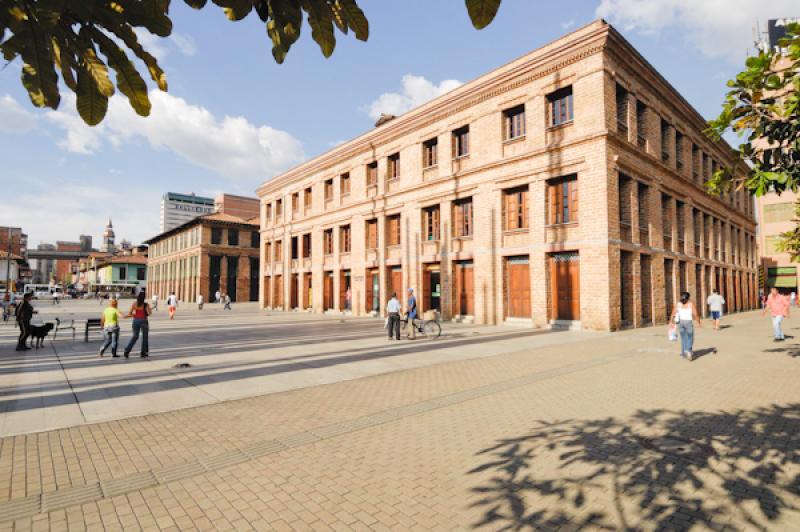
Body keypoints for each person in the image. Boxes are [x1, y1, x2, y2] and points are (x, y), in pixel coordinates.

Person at [670, 291, 701, 361]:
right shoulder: (690, 304)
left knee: (683, 338)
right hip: (688, 322)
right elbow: (695, 314)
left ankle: (684, 354)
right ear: (688, 298)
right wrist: (698, 322)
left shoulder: (678, 304)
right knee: (690, 337)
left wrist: (671, 322)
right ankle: (688, 350)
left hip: (680, 322)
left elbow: (673, 313)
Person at [124, 291, 151, 358]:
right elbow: (149, 313)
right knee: (145, 337)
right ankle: (143, 353)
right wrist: (148, 310)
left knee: (135, 336)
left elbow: (130, 313)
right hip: (144, 321)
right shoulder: (146, 305)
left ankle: (127, 351)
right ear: (144, 297)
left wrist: (135, 315)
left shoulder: (134, 304)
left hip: (135, 321)